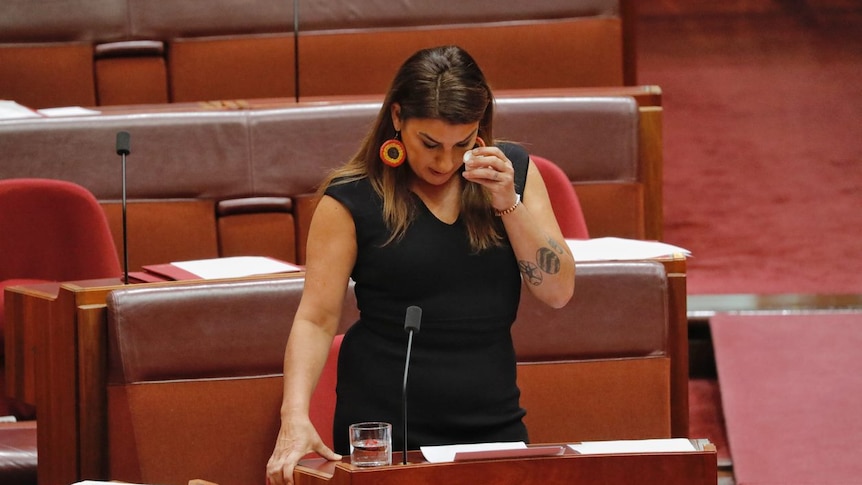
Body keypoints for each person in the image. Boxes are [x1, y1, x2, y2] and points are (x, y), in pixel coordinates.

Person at [266, 45, 575, 485]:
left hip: (492, 421)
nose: (444, 161)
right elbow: (316, 319)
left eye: (461, 144)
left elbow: (558, 292)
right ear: (397, 118)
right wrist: (293, 416)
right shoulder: (351, 199)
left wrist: (509, 204)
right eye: (429, 144)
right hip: (386, 430)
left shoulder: (514, 175)